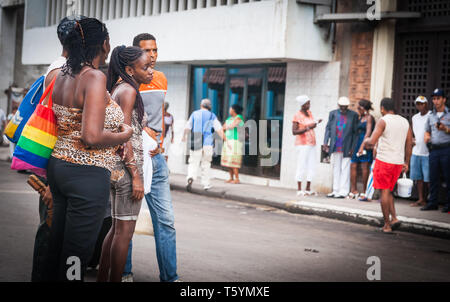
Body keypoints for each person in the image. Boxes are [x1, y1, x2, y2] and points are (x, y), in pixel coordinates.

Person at [43, 18, 133, 281]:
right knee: (76, 253)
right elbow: (91, 135)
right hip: (87, 173)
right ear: (104, 44)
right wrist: (123, 135)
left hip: (59, 167)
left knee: (58, 244)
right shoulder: (93, 77)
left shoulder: (60, 75)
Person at [31, 15, 86, 282]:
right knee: (52, 227)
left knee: (57, 229)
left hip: (57, 162)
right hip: (55, 162)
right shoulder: (62, 71)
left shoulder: (62, 67)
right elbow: (56, 126)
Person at [123, 33, 178, 282]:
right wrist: (143, 134)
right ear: (136, 53)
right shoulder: (125, 79)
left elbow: (159, 117)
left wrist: (160, 145)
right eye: (147, 51)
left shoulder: (161, 78)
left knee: (166, 221)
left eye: (155, 50)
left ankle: (171, 278)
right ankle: (123, 273)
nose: (153, 55)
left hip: (156, 159)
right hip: (131, 158)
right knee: (126, 221)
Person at [97, 45, 152, 282]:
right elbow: (125, 134)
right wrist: (136, 176)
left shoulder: (119, 87)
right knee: (125, 233)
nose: (151, 71)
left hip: (116, 168)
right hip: (127, 170)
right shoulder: (128, 91)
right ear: (129, 69)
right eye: (146, 67)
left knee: (116, 230)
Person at [363, 98, 412, 233]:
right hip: (397, 163)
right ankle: (394, 218)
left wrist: (365, 141)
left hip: (384, 161)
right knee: (389, 191)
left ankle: (387, 225)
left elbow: (372, 141)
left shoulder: (383, 120)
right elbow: (409, 144)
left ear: (383, 108)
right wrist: (406, 162)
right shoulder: (404, 121)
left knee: (384, 192)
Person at [183, 98, 225, 190]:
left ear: (201, 105)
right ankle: (206, 184)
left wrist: (184, 137)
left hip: (196, 141)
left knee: (193, 162)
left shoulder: (195, 114)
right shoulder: (212, 116)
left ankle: (190, 177)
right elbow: (218, 129)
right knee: (206, 163)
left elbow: (188, 127)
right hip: (207, 143)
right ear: (209, 107)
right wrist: (225, 139)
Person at [323, 96, 359, 198]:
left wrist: (353, 148)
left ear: (347, 106)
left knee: (345, 168)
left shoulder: (354, 115)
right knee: (336, 168)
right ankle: (335, 190)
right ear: (339, 105)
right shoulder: (333, 114)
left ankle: (343, 191)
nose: (343, 108)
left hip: (347, 146)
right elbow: (328, 129)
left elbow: (355, 133)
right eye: (341, 106)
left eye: (345, 106)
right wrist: (326, 142)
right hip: (335, 145)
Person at [421, 89, 450, 213]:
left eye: (438, 98)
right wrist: (427, 136)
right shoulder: (431, 115)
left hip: (446, 149)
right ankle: (432, 202)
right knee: (433, 177)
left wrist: (445, 129)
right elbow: (427, 130)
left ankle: (448, 204)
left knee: (448, 178)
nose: (435, 101)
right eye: (434, 98)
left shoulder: (449, 114)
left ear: (444, 99)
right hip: (434, 150)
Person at [292, 95, 322, 196]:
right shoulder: (297, 115)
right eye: (307, 103)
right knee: (301, 165)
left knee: (311, 165)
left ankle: (308, 188)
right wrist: (308, 128)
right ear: (302, 104)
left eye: (309, 103)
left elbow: (311, 124)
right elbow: (294, 131)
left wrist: (316, 122)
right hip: (302, 144)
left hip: (312, 143)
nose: (309, 105)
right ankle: (299, 189)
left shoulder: (309, 113)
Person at [349, 99, 375, 200]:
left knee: (364, 167)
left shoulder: (369, 118)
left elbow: (368, 133)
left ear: (364, 108)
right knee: (353, 165)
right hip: (357, 143)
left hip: (365, 144)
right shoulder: (360, 117)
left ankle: (364, 191)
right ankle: (353, 190)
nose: (358, 109)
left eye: (359, 108)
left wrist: (362, 146)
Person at [410, 96, 430, 208]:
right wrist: (413, 140)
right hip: (416, 151)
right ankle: (421, 199)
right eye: (418, 104)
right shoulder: (414, 117)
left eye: (422, 103)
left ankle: (431, 200)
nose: (420, 106)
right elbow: (415, 132)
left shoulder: (431, 115)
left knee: (429, 178)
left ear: (426, 104)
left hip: (428, 152)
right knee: (418, 178)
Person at [221, 103, 244, 184]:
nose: (229, 110)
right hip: (228, 140)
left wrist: (227, 126)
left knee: (234, 159)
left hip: (235, 141)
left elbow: (232, 126)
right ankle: (231, 177)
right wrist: (227, 126)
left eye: (230, 108)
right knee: (229, 160)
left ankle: (237, 178)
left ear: (233, 110)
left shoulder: (239, 117)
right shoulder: (229, 118)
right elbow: (223, 127)